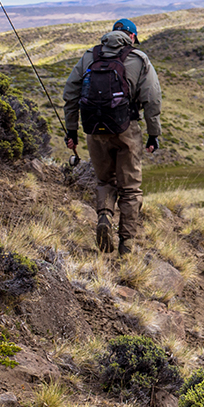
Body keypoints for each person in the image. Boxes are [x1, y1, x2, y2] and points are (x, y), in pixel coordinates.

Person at [63, 18, 162, 256]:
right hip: (126, 129)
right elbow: (152, 99)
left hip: (94, 130)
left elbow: (70, 94)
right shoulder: (139, 59)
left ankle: (105, 217)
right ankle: (126, 244)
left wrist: (72, 131)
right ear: (132, 37)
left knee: (105, 182)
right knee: (130, 189)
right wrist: (153, 134)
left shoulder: (89, 56)